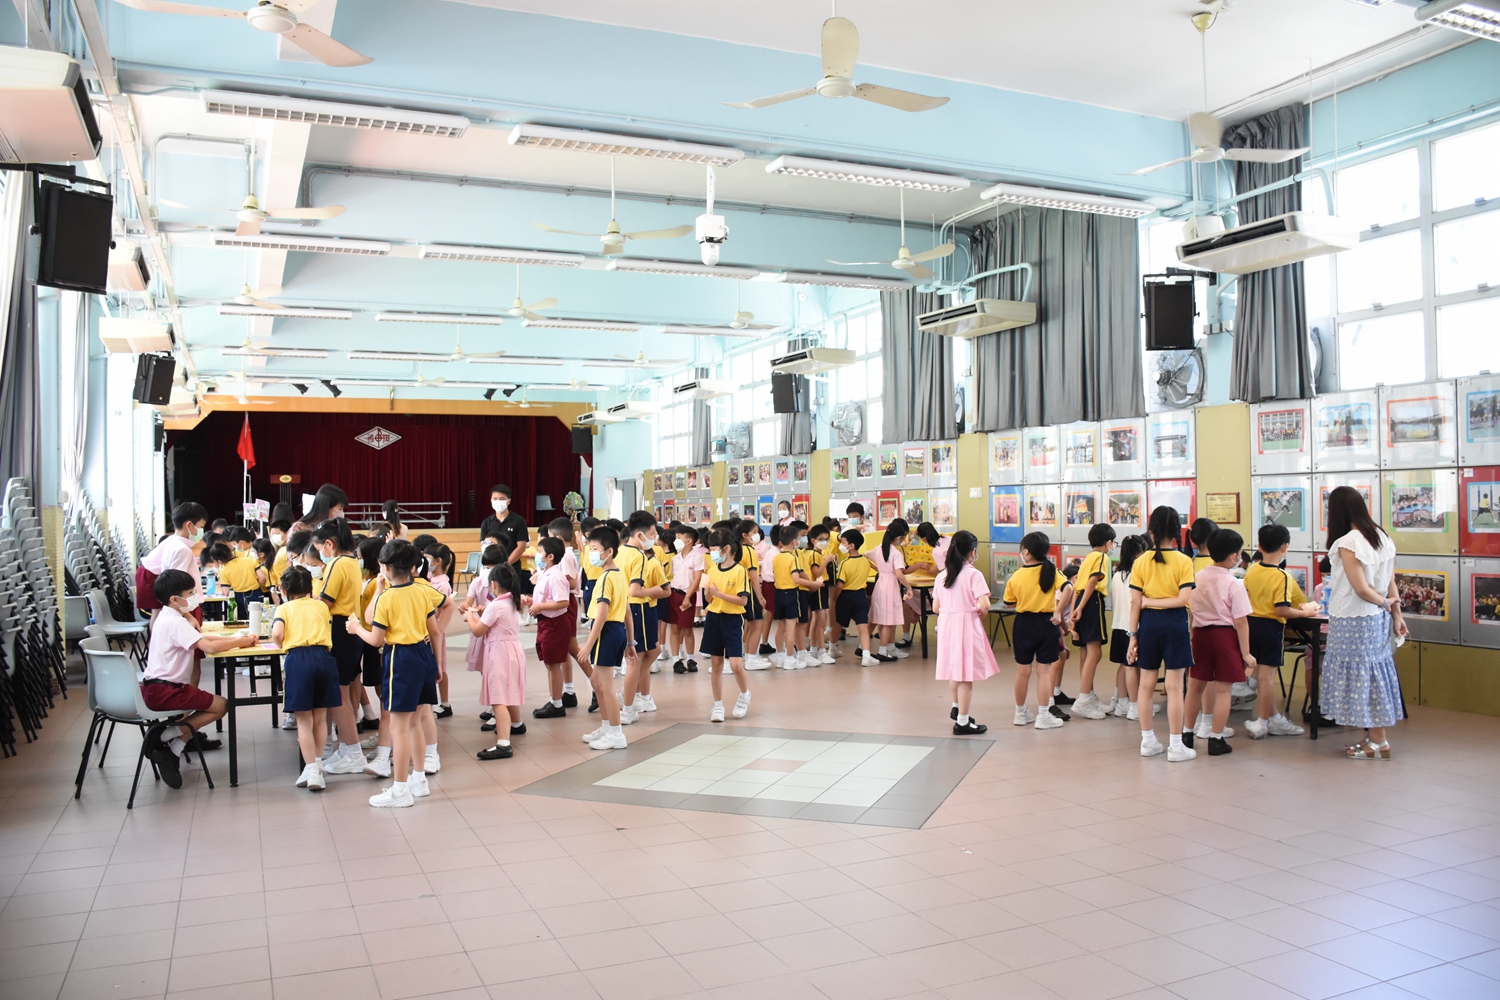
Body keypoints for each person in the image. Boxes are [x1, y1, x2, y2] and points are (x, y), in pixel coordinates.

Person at [346, 540, 445, 808]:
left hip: (401, 659)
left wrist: (356, 629)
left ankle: (400, 789)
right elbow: (435, 632)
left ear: (385, 567)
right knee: (415, 723)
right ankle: (419, 779)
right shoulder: (422, 591)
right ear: (413, 567)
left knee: (398, 727)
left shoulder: (386, 598)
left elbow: (376, 639)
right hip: (423, 656)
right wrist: (437, 664)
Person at [140, 569, 257, 788]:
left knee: (214, 704)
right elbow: (209, 647)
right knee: (221, 705)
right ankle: (166, 734)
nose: (195, 596)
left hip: (154, 688)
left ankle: (173, 748)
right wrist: (239, 642)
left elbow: (201, 637)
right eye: (190, 593)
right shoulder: (176, 623)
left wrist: (234, 638)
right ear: (175, 599)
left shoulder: (167, 616)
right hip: (168, 691)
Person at [1322, 486, 1406, 760]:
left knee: (1364, 677)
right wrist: (1395, 613)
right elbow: (1390, 580)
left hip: (1354, 619)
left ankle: (1379, 741)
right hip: (1377, 619)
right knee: (1374, 673)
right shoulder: (1381, 536)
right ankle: (1374, 738)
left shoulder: (1348, 542)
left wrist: (1385, 603)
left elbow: (1360, 588)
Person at [1128, 506, 1198, 762]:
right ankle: (1176, 746)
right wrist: (1154, 603)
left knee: (1146, 684)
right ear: (1177, 531)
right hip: (1175, 624)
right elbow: (1182, 600)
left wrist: (1133, 635)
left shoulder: (1140, 561)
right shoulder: (1184, 561)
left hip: (1147, 624)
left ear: (1151, 530)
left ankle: (1148, 741)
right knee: (1175, 686)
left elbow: (1136, 603)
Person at [1182, 528, 1255, 757]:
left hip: (1200, 635)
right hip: (1225, 637)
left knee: (1195, 687)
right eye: (1239, 553)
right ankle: (1216, 739)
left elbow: (1191, 611)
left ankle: (1186, 735)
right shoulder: (1234, 583)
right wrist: (1246, 653)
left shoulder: (1197, 577)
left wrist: (1191, 636)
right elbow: (1241, 621)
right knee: (1224, 690)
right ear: (1233, 556)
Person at [1243, 523, 1319, 740]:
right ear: (1285, 547)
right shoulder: (1282, 576)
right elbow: (1281, 610)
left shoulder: (1252, 570)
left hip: (1251, 625)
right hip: (1271, 628)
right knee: (1267, 677)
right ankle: (1263, 722)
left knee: (1261, 675)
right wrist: (1306, 612)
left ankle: (1274, 718)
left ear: (1259, 546)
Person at [272, 566, 342, 791]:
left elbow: (277, 634)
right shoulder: (321, 605)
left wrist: (280, 643)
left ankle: (311, 770)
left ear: (284, 589)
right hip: (324, 658)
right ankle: (318, 763)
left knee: (303, 720)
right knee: (320, 718)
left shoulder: (283, 608)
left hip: (299, 659)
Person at [310, 519, 369, 777]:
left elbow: (326, 601)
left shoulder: (337, 563)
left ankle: (354, 753)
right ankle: (346, 749)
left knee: (339, 695)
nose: (320, 554)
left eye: (319, 549)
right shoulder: (352, 561)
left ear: (329, 544)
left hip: (340, 630)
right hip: (349, 628)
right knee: (340, 693)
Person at [462, 563, 527, 760]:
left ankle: (503, 744)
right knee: (509, 690)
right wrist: (480, 615)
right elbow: (491, 624)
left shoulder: (496, 605)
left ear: (494, 585)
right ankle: (516, 724)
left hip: (499, 654)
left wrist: (470, 615)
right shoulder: (512, 602)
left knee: (498, 698)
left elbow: (477, 631)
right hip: (513, 651)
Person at [577, 526, 634, 750]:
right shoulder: (619, 575)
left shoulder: (605, 579)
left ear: (609, 552)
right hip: (616, 631)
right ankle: (607, 726)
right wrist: (630, 642)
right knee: (596, 681)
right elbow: (627, 611)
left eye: (594, 549)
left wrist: (588, 645)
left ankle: (616, 734)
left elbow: (601, 615)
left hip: (606, 632)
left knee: (605, 685)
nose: (591, 553)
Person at [935, 531, 996, 735]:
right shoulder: (973, 574)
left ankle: (956, 707)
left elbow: (936, 607)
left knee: (955, 669)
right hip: (965, 626)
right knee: (965, 675)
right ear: (972, 552)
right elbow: (985, 604)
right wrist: (978, 609)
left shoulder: (941, 575)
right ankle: (962, 722)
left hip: (946, 626)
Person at [1004, 532, 1065, 731]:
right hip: (1047, 623)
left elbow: (1008, 603)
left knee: (1022, 672)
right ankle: (1044, 716)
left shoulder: (1017, 576)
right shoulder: (1052, 571)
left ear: (1027, 552)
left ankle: (1020, 713)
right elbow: (1069, 588)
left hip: (1023, 624)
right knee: (1044, 671)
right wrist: (1058, 611)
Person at [618, 513, 668, 725]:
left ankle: (630, 698)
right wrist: (655, 591)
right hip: (637, 608)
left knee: (650, 652)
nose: (654, 538)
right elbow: (635, 591)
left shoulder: (620, 551)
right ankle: (627, 707)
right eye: (652, 534)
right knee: (635, 661)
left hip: (626, 608)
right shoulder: (638, 556)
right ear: (639, 535)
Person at [700, 528, 752, 722]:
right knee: (716, 665)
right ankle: (717, 705)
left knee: (736, 665)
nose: (711, 552)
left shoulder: (740, 571)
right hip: (714, 619)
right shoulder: (712, 570)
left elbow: (743, 601)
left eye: (714, 548)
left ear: (726, 549)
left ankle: (745, 694)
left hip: (732, 620)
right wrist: (709, 595)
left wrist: (719, 594)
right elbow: (710, 599)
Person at [1066, 523, 1116, 721]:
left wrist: (1073, 611)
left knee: (1085, 652)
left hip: (1081, 601)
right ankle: (1084, 699)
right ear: (1107, 542)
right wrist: (1080, 608)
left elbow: (1077, 588)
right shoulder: (1102, 557)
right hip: (1092, 601)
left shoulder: (1088, 558)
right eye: (1112, 543)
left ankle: (1088, 695)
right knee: (1095, 652)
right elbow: (1092, 583)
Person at [138, 502, 208, 619]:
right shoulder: (182, 549)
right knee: (157, 613)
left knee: (157, 615)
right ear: (189, 525)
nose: (201, 531)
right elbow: (176, 584)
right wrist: (188, 615)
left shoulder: (173, 542)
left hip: (156, 578)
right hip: (151, 576)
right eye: (201, 526)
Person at [529, 537, 574, 718]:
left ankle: (557, 704)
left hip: (555, 623)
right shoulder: (545, 573)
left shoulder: (556, 576)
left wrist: (540, 607)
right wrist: (532, 602)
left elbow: (563, 602)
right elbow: (545, 597)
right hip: (546, 622)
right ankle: (554, 699)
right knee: (549, 663)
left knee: (554, 664)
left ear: (550, 556)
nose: (537, 555)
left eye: (540, 552)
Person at [1107, 535, 1150, 719]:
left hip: (1118, 625)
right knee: (1132, 666)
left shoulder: (1117, 575)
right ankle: (1134, 706)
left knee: (1123, 665)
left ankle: (1122, 703)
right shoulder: (1138, 574)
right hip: (1133, 626)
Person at [464, 544, 507, 723]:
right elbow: (467, 604)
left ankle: (499, 710)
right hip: (482, 631)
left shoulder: (506, 583)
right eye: (486, 567)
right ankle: (493, 704)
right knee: (486, 670)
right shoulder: (478, 582)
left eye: (492, 567)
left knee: (497, 672)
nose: (488, 571)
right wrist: (468, 609)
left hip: (498, 634)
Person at [831, 529, 885, 666]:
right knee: (863, 626)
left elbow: (839, 585)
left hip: (845, 596)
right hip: (861, 596)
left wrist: (835, 598)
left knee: (838, 623)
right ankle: (866, 655)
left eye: (843, 542)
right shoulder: (865, 560)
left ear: (852, 545)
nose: (841, 545)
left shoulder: (845, 563)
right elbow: (876, 569)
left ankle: (832, 649)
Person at [771, 521, 815, 669]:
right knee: (790, 628)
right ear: (794, 541)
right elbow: (796, 579)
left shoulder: (777, 557)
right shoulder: (792, 558)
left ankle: (780, 657)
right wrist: (812, 584)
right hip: (791, 593)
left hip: (778, 593)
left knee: (780, 627)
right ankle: (790, 659)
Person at [867, 519, 911, 661]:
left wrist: (877, 568)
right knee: (888, 620)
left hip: (880, 584)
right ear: (898, 538)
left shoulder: (878, 549)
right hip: (891, 585)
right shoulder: (896, 553)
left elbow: (863, 556)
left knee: (883, 618)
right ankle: (883, 651)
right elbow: (899, 574)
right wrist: (909, 587)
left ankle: (887, 648)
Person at [424, 543, 458, 718]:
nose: (424, 561)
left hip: (435, 630)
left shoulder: (442, 584)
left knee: (439, 667)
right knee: (437, 666)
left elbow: (437, 611)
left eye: (427, 558)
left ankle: (444, 704)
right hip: (430, 630)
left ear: (437, 561)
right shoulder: (429, 579)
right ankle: (442, 703)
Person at [664, 525, 703, 673]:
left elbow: (697, 579)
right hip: (674, 594)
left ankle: (691, 659)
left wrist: (687, 597)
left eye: (679, 538)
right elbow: (673, 576)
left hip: (688, 595)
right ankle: (676, 660)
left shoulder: (697, 557)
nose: (676, 540)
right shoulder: (675, 558)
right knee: (674, 628)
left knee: (687, 629)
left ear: (689, 541)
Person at [806, 522, 837, 664]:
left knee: (816, 621)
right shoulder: (815, 555)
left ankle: (813, 650)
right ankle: (821, 651)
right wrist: (826, 561)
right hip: (818, 588)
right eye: (821, 539)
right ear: (813, 540)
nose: (824, 542)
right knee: (820, 621)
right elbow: (817, 573)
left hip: (820, 587)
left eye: (827, 539)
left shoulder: (817, 554)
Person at [478, 484, 529, 572]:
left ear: (508, 501)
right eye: (495, 499)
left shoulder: (519, 521)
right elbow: (483, 546)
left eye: (501, 499)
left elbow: (521, 547)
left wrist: (506, 564)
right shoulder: (486, 522)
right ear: (491, 500)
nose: (498, 501)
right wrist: (492, 566)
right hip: (491, 569)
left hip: (512, 569)